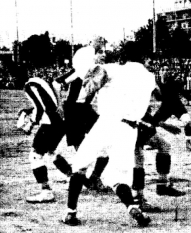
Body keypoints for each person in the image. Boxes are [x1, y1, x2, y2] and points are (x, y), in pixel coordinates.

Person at [62, 44, 155, 227]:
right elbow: (156, 94)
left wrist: (83, 73)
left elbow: (86, 88)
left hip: (107, 123)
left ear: (123, 57)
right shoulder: (150, 77)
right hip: (130, 129)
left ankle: (70, 212)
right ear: (143, 58)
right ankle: (131, 207)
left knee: (80, 165)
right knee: (118, 177)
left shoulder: (112, 69)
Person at [17, 76, 73, 203]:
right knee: (50, 152)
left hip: (50, 123)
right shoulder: (41, 81)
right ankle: (72, 178)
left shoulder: (29, 86)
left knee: (35, 155)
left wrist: (30, 123)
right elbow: (49, 103)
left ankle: (46, 191)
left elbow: (40, 108)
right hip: (60, 121)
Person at [153, 64, 191, 151]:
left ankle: (188, 142)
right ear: (159, 71)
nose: (165, 72)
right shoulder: (156, 84)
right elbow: (157, 97)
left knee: (187, 121)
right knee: (152, 123)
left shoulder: (174, 82)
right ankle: (152, 142)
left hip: (177, 106)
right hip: (165, 107)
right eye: (163, 69)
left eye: (167, 70)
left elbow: (185, 93)